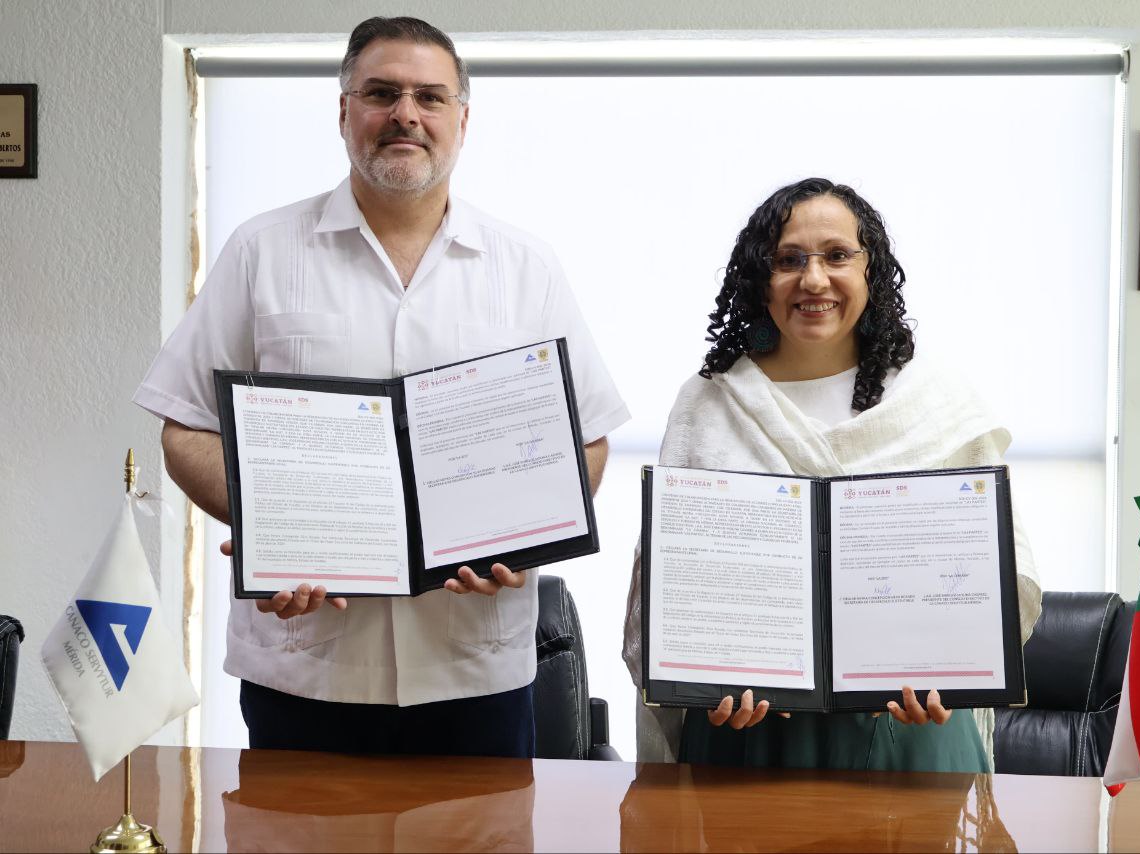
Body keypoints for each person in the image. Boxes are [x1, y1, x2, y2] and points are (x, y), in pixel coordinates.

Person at [134, 16, 629, 757]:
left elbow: (587, 439)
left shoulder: (526, 267)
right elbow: (185, 427)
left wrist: (519, 538)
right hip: (306, 670)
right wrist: (278, 526)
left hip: (476, 674)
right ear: (344, 112)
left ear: (462, 120)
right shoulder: (261, 252)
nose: (406, 114)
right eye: (381, 93)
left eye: (430, 97)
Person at [622, 177, 1041, 771]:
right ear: (759, 277)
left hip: (912, 732)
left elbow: (1003, 575)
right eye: (788, 260)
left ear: (872, 270)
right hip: (749, 738)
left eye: (837, 255)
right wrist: (706, 680)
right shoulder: (708, 403)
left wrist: (952, 669)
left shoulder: (939, 401)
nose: (814, 280)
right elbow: (665, 587)